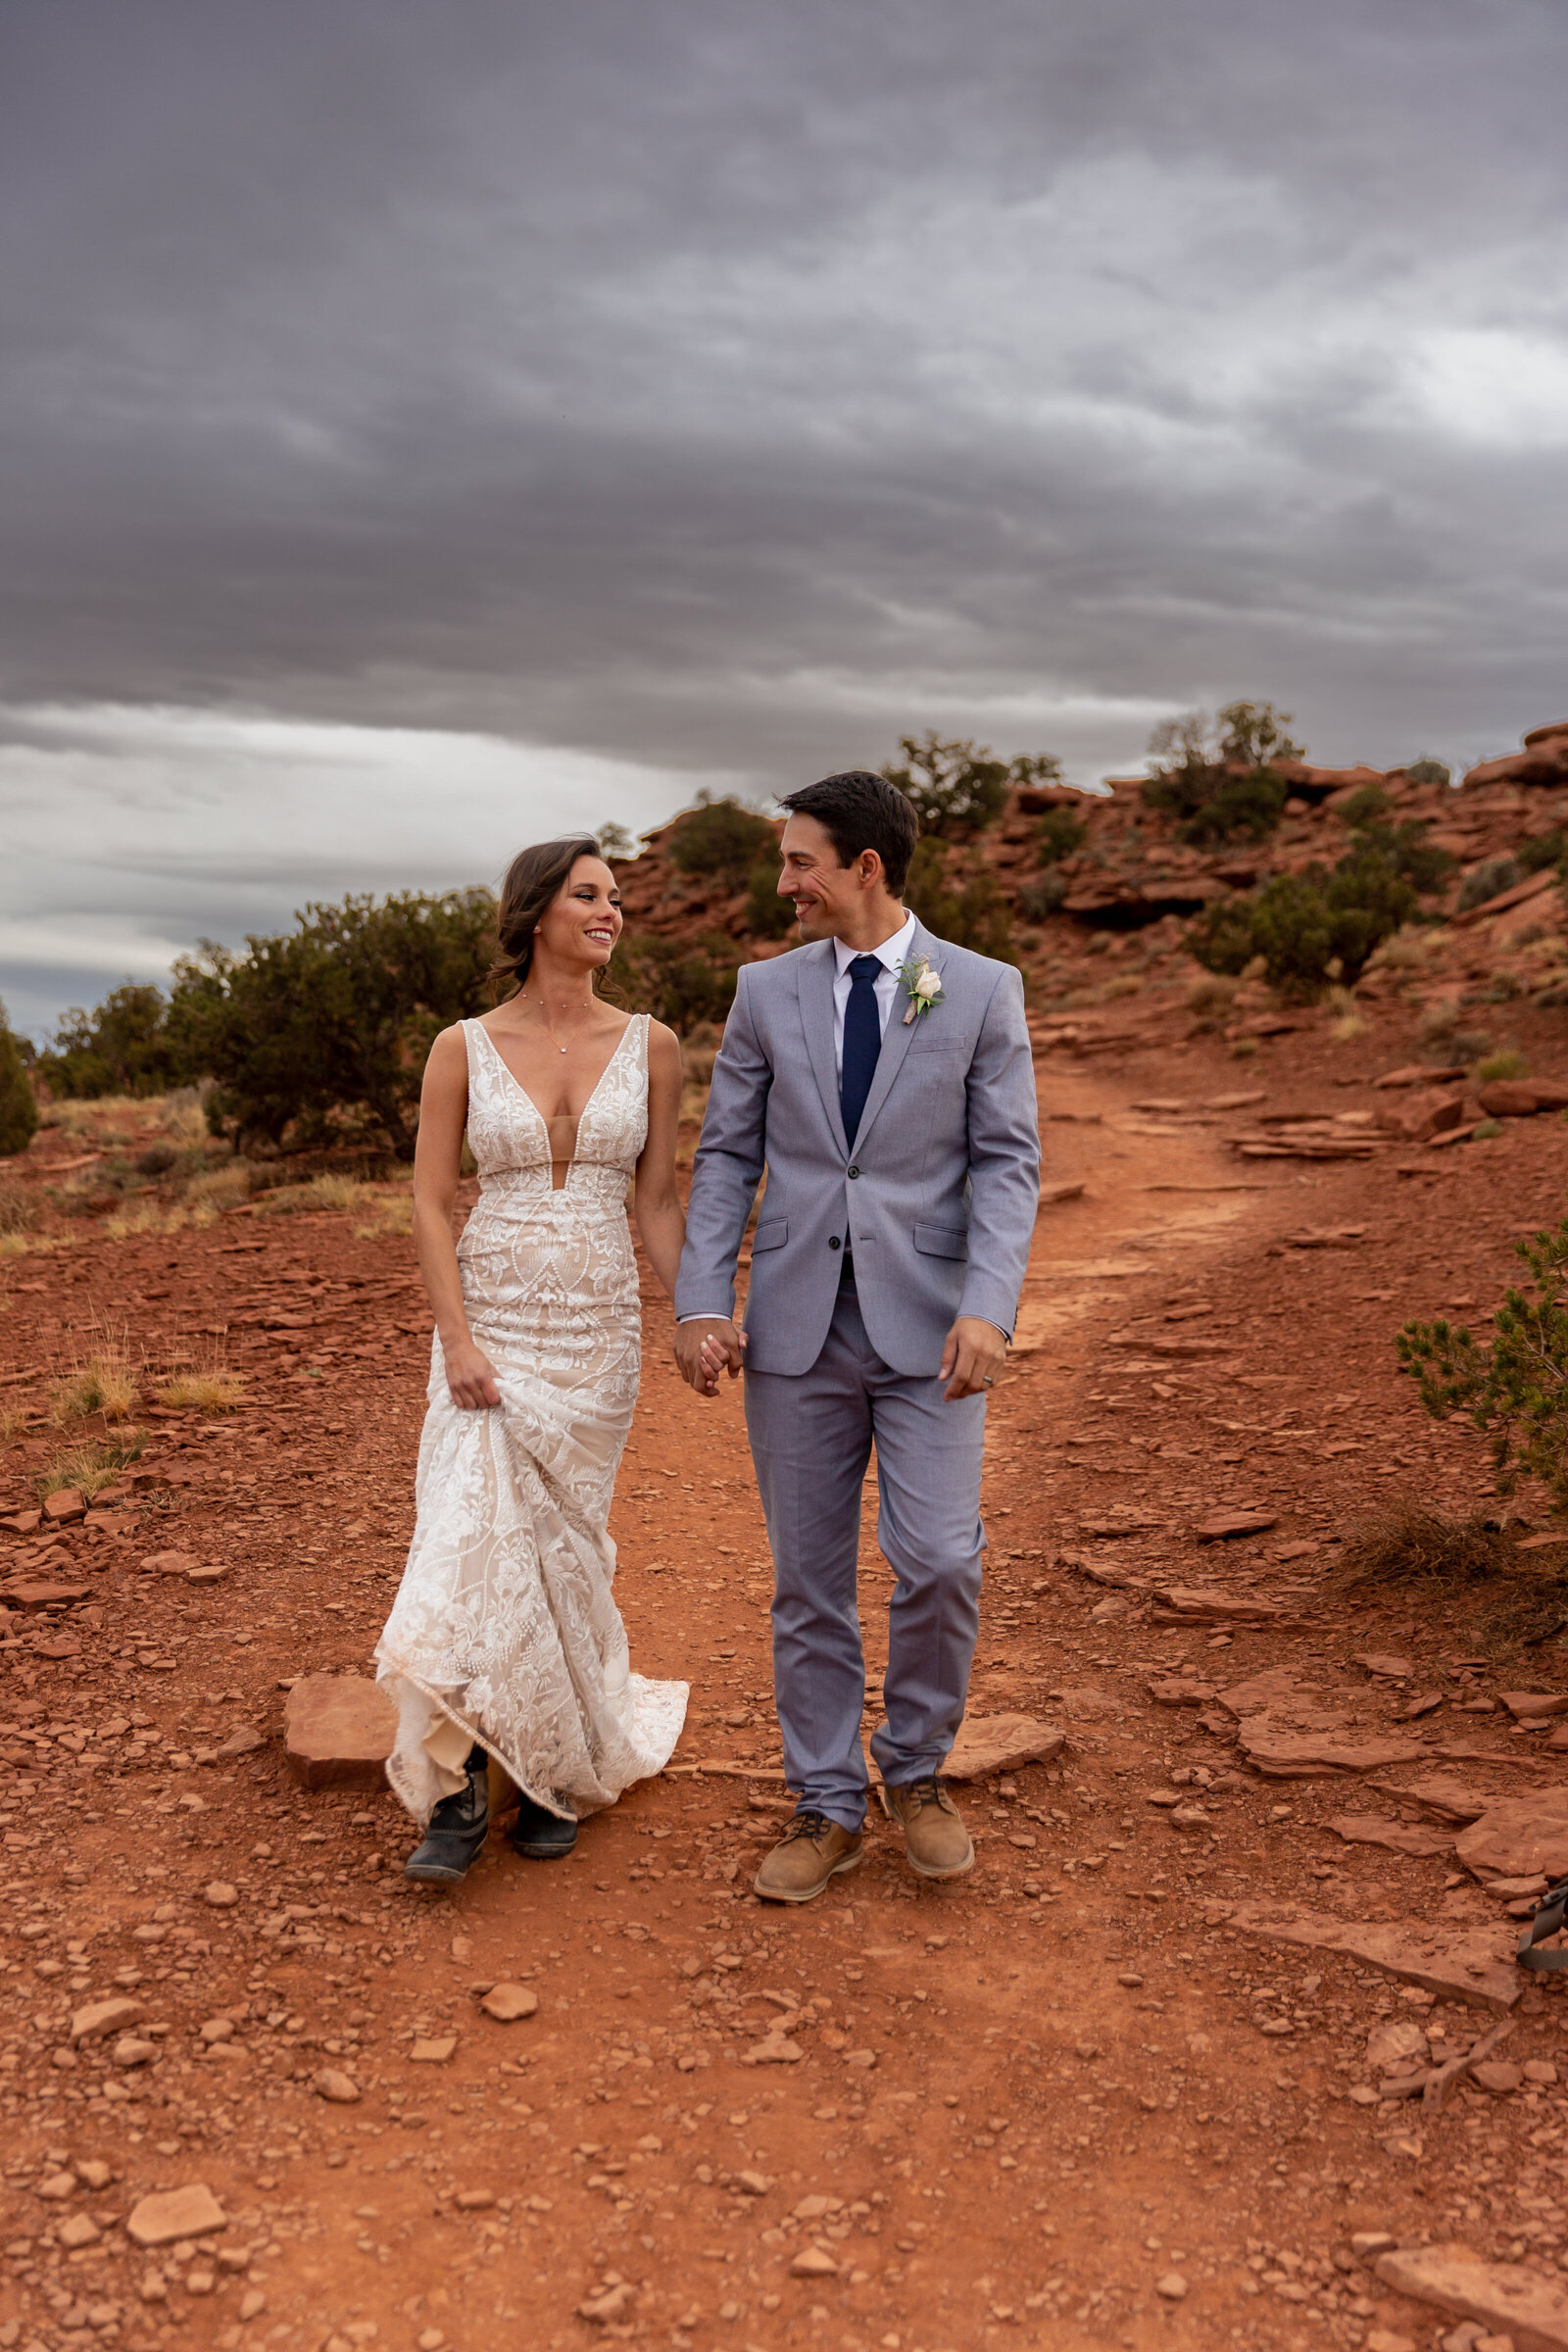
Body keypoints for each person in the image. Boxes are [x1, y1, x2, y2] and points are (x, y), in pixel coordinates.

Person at [673, 772, 1039, 1903]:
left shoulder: (977, 991)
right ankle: (825, 1803)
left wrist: (990, 1303)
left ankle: (916, 1772)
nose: (783, 884)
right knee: (808, 1581)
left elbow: (1007, 1161)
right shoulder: (764, 992)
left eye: (798, 863)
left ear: (863, 868)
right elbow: (730, 1153)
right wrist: (699, 1299)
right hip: (792, 1329)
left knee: (937, 1559)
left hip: (933, 1330)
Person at [376, 836, 689, 1885]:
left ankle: (553, 1768)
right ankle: (460, 1789)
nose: (611, 912)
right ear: (537, 913)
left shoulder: (654, 1045)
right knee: (468, 1537)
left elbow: (654, 1202)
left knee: (559, 1551)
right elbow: (427, 1200)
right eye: (589, 895)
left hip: (596, 1327)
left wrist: (695, 1313)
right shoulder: (460, 1045)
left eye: (617, 898)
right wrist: (456, 1337)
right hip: (490, 1318)